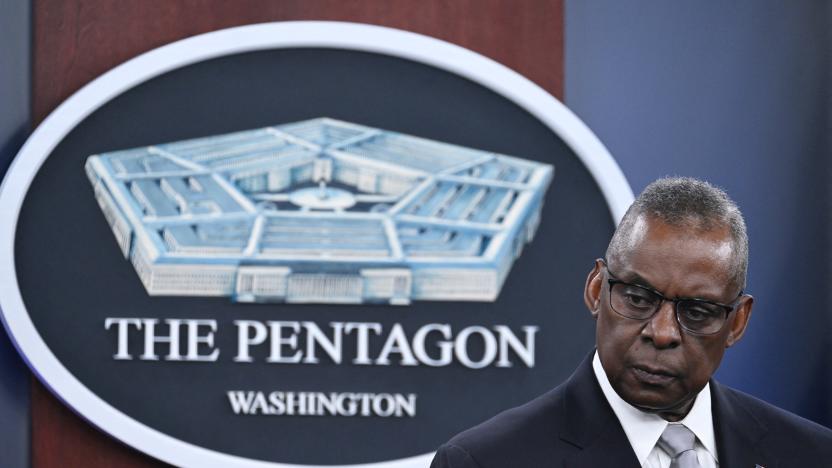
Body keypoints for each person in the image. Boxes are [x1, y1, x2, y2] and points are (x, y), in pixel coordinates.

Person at [431, 177, 832, 468]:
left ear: (738, 321)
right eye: (638, 299)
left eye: (696, 312)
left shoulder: (812, 454)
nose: (661, 333)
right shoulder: (485, 462)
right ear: (595, 289)